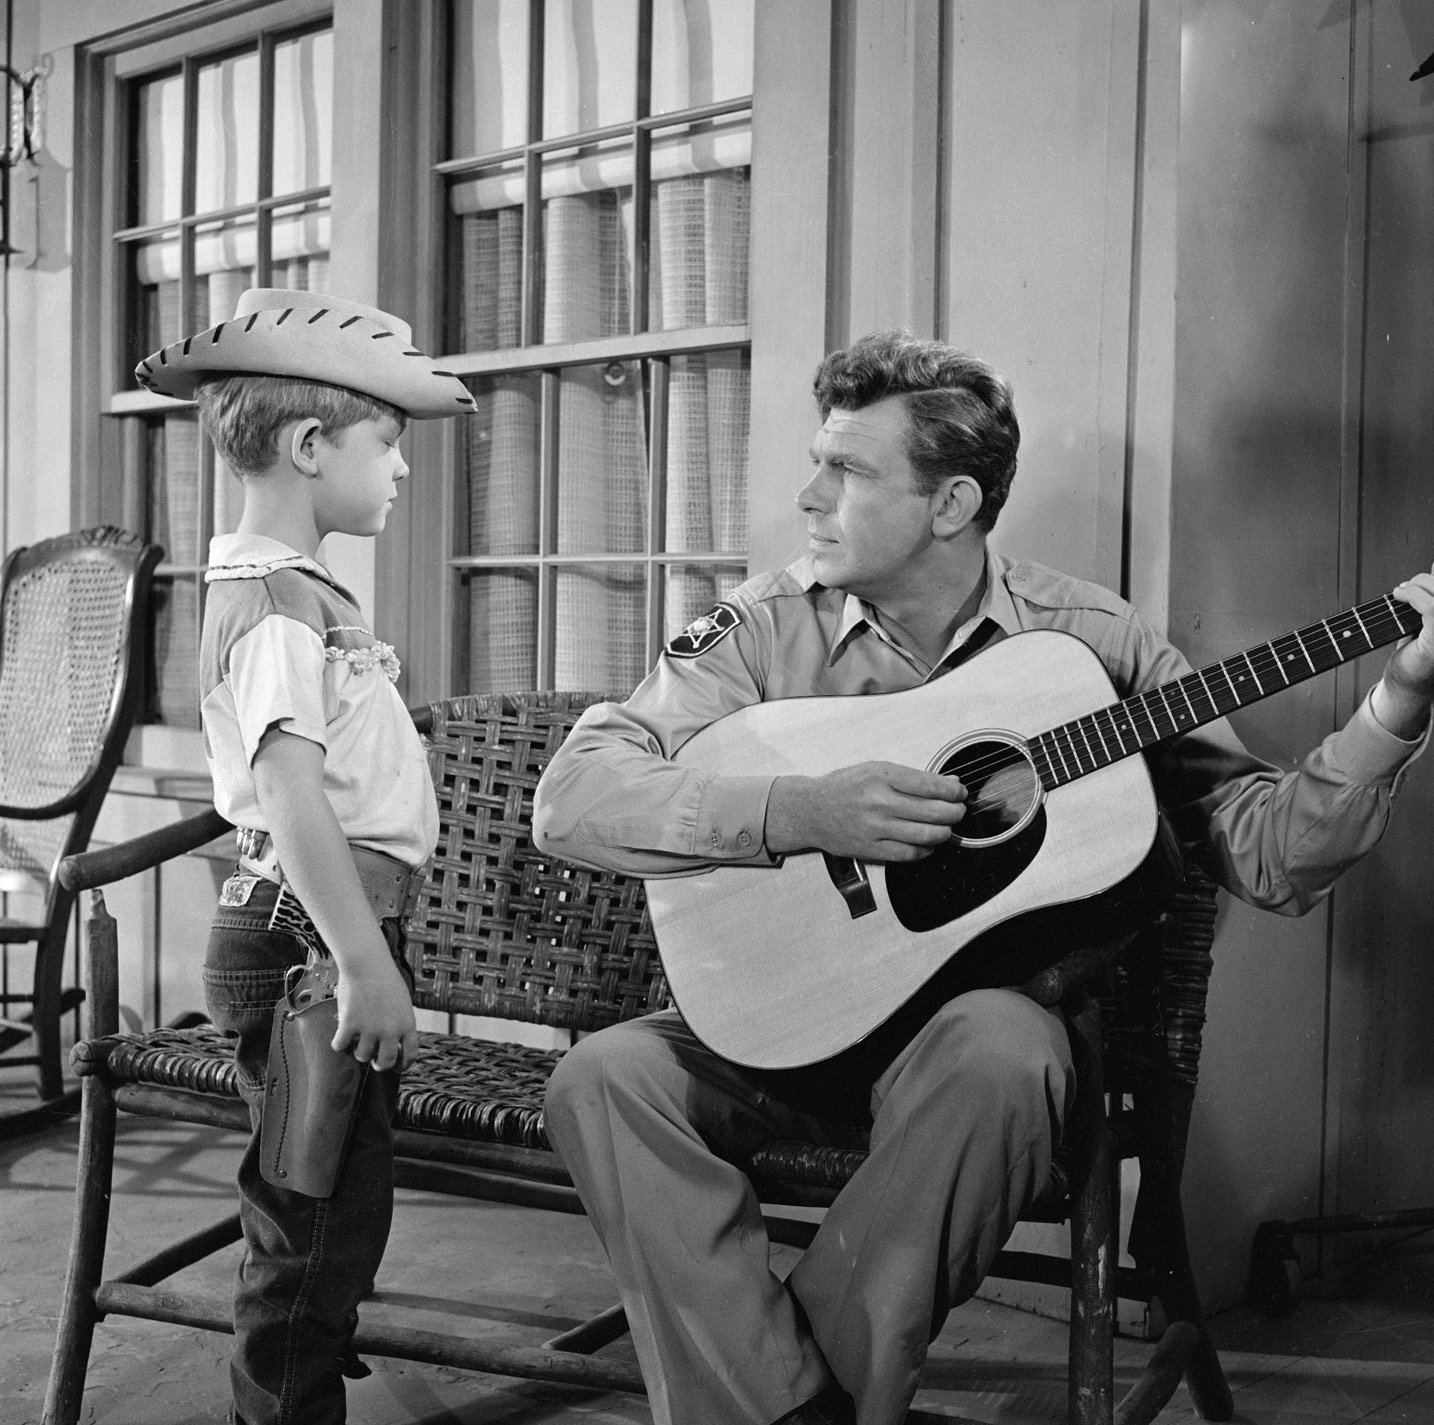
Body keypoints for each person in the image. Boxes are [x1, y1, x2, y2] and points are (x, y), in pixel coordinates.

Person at [532, 330, 1434, 1425]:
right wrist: (796, 809)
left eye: (848, 471)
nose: (808, 498)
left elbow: (1264, 853)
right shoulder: (762, 624)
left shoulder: (1088, 642)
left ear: (952, 504)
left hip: (968, 1038)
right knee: (603, 1081)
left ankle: (773, 1404)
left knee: (1006, 1058)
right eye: (820, 461)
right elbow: (574, 796)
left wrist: (1397, 706)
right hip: (772, 1018)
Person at [136, 287, 475, 1425]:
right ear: (310, 444)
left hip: (312, 935)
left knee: (333, 1210)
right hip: (308, 942)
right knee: (313, 1218)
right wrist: (365, 965)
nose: (403, 471)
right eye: (390, 445)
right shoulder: (279, 604)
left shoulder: (294, 592)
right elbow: (290, 796)